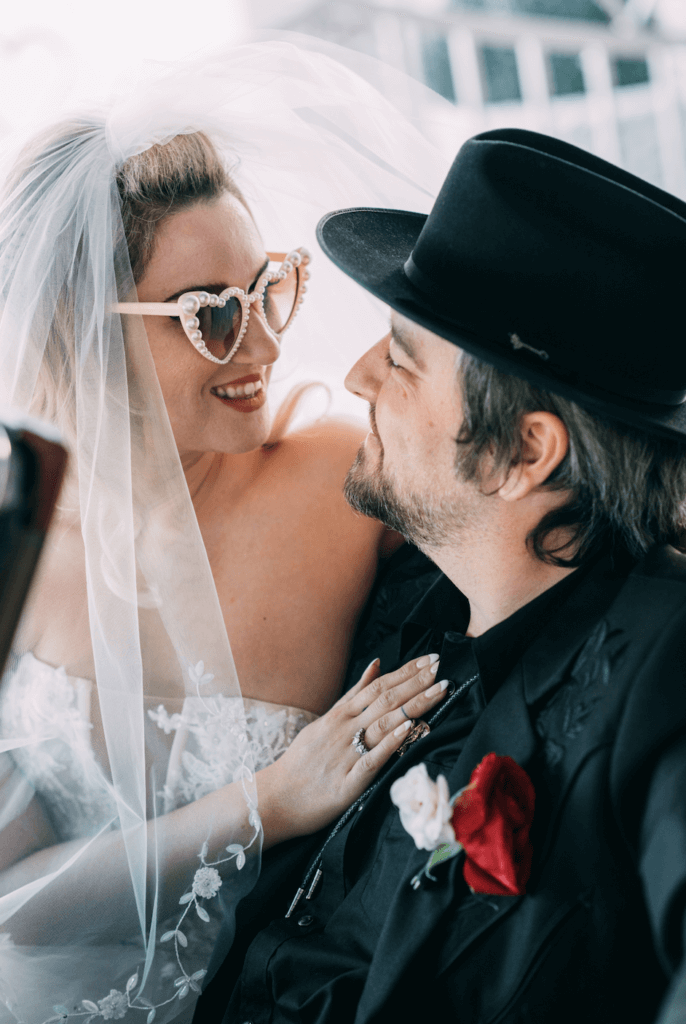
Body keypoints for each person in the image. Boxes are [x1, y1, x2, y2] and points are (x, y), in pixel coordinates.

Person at [0, 43, 451, 1024]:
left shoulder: (336, 475)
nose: (265, 344)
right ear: (81, 327)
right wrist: (267, 802)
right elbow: (15, 900)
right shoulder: (18, 538)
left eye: (267, 288)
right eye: (208, 315)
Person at [196, 127, 686, 1024]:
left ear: (522, 454)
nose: (353, 376)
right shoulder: (406, 594)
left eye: (400, 361)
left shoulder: (665, 662)